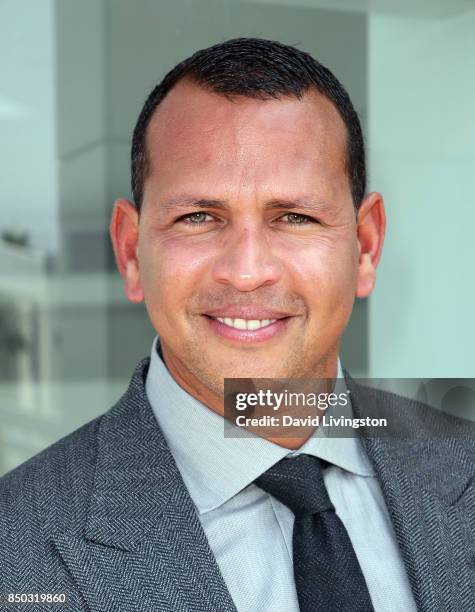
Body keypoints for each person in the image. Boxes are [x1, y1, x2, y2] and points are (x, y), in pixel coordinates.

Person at [0, 38, 473, 612]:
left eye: (295, 217)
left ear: (366, 246)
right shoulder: (15, 551)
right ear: (130, 252)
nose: (247, 272)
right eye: (198, 217)